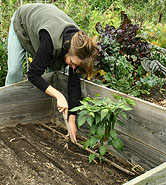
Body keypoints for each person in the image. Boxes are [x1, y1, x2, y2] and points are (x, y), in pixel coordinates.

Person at [5, 3, 98, 142]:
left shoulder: (80, 50)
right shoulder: (50, 40)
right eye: (72, 63)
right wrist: (59, 96)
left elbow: (74, 83)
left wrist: (72, 119)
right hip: (23, 24)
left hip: (43, 31)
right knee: (14, 70)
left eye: (75, 66)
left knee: (54, 72)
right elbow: (33, 74)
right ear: (67, 49)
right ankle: (6, 110)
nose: (73, 67)